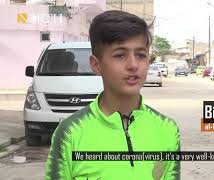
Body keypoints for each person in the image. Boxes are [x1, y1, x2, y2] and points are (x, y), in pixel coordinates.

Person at [45, 10, 180, 180]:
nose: (133, 65)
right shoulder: (70, 132)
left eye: (140, 55)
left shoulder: (167, 129)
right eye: (120, 55)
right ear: (96, 65)